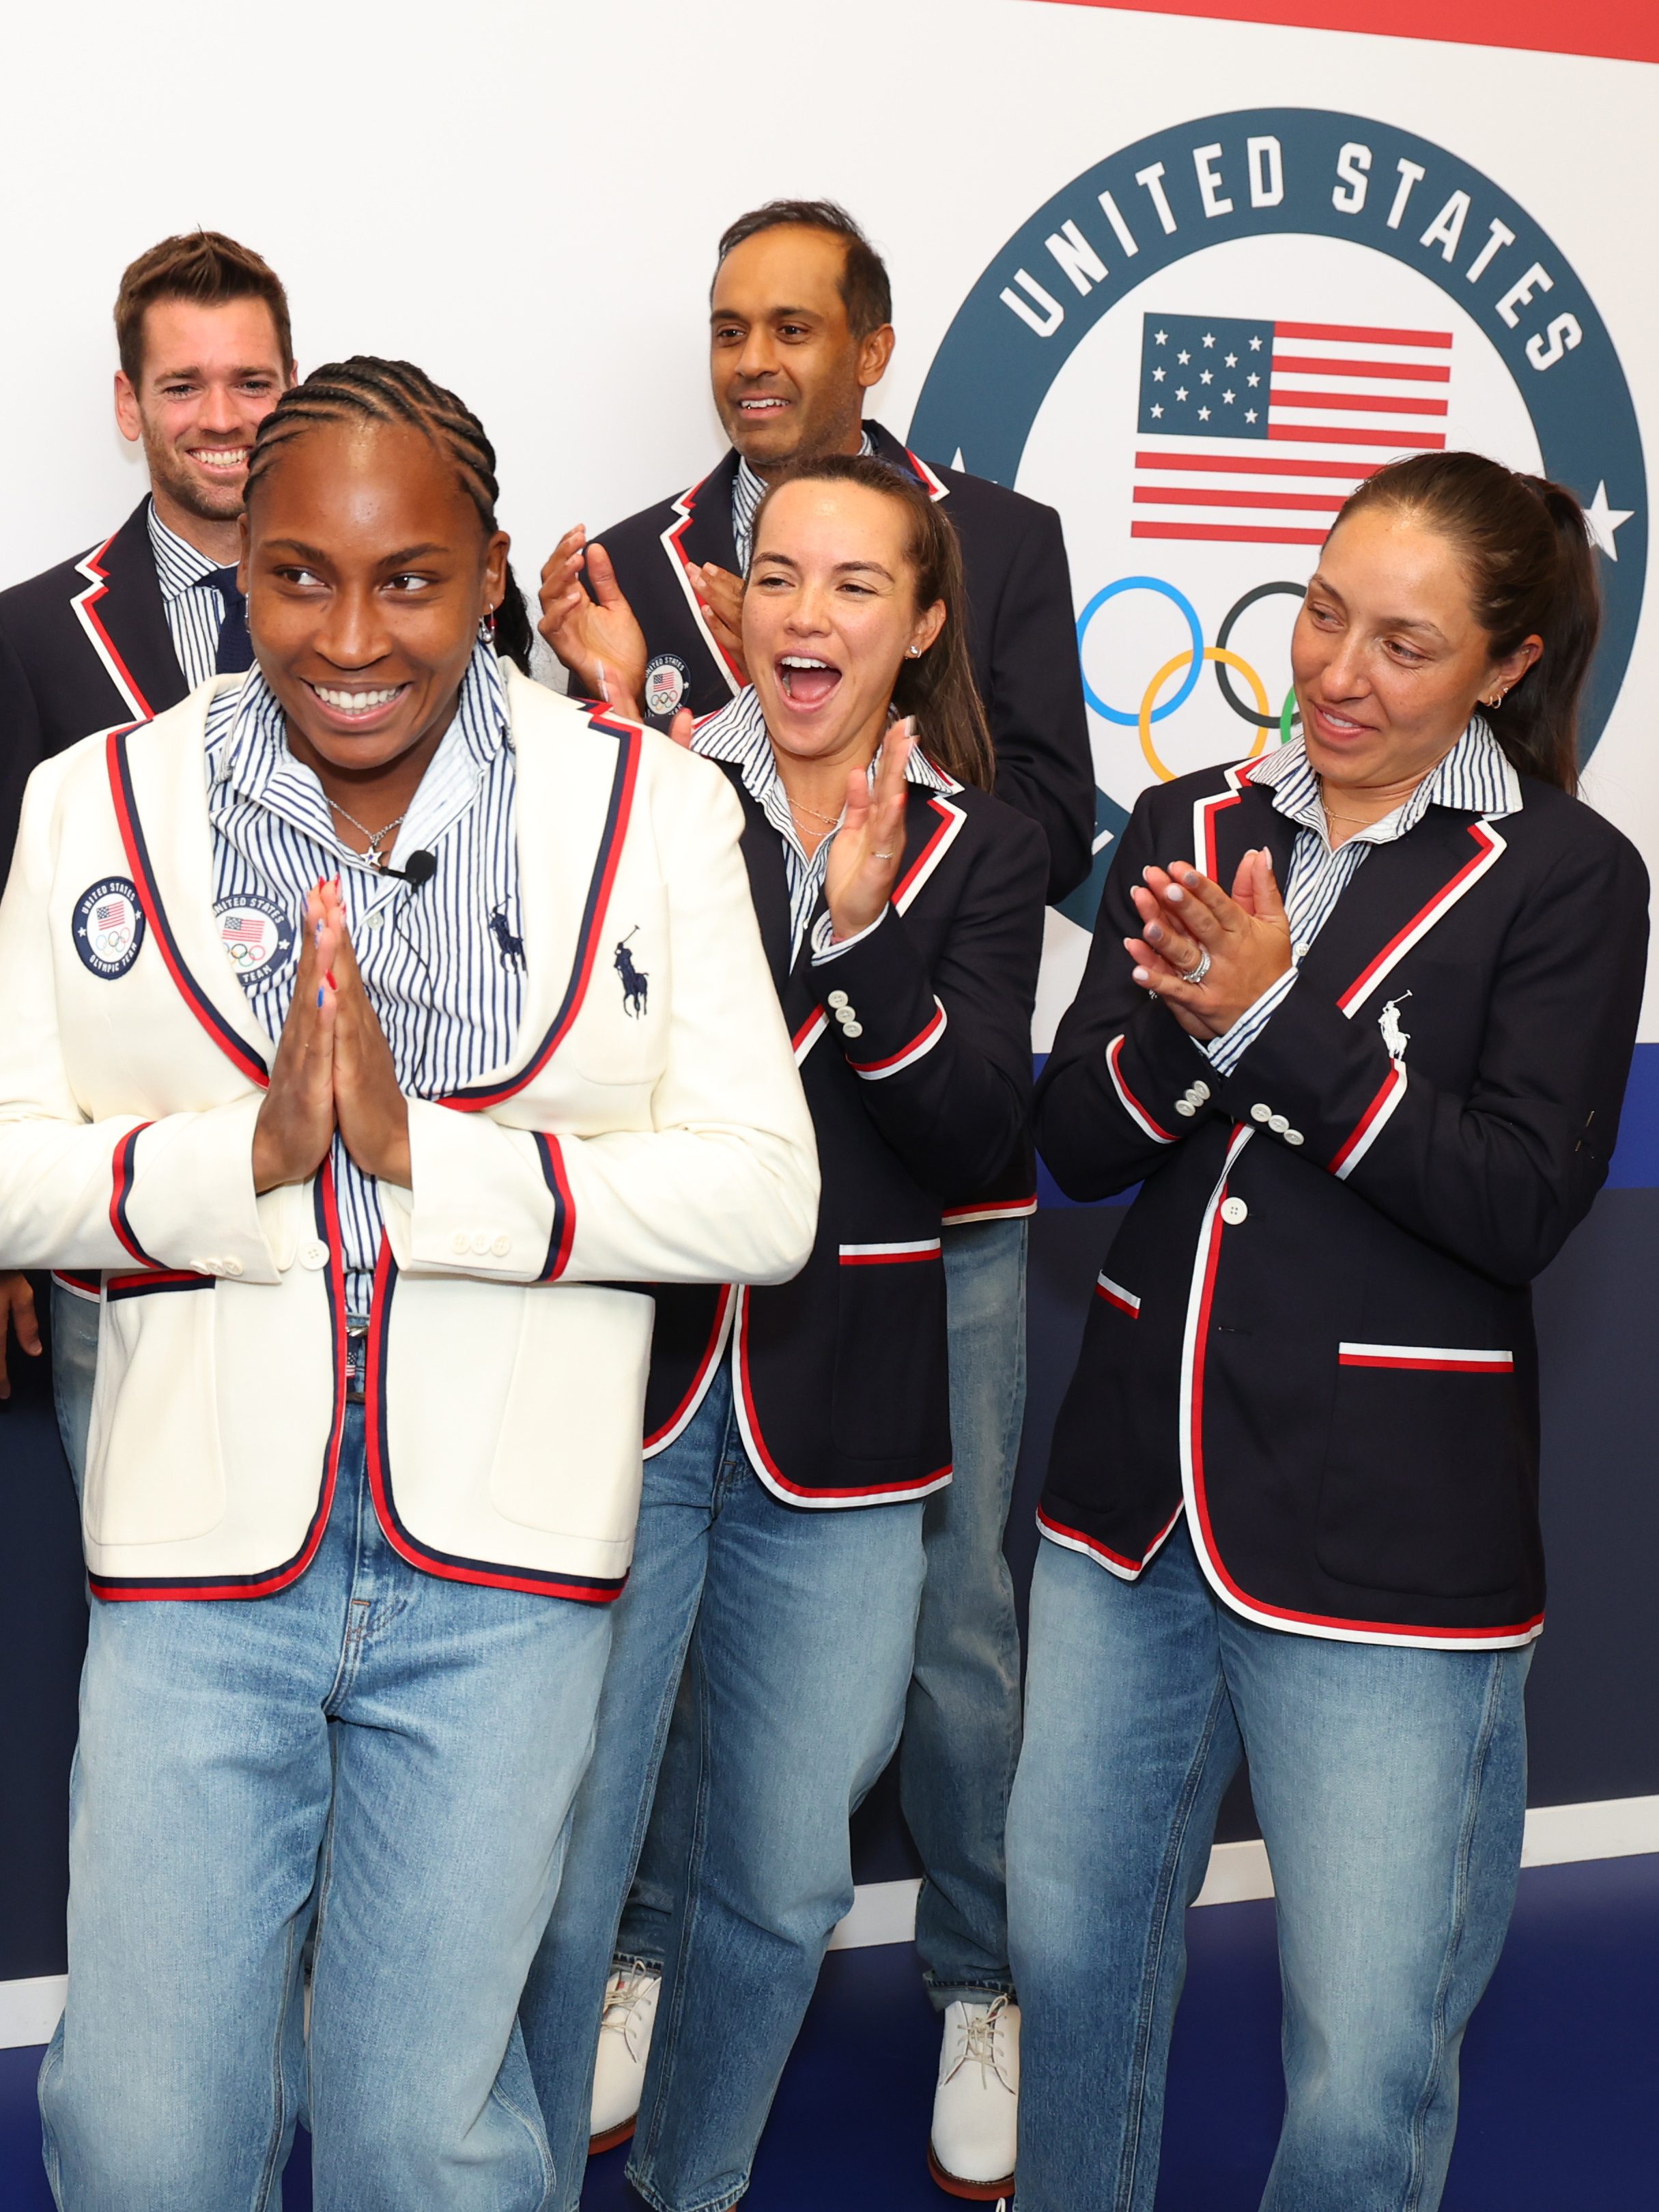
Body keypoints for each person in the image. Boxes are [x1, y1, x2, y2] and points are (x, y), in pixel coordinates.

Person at [0, 355, 817, 2208]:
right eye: (297, 576)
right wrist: (242, 1162)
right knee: (140, 2127)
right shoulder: (94, 800)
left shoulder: (645, 812)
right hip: (201, 1569)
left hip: (505, 1584)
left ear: (490, 569)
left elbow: (764, 1196)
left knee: (418, 2134)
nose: (349, 633)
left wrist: (425, 1162)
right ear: (241, 576)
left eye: (409, 579)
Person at [1012, 451, 1647, 2212]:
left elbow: (1518, 1202)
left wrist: (1274, 1017)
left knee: (1365, 2061)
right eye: (1320, 612)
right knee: (1070, 1975)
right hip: (1129, 1512)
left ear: (1506, 668)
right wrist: (1189, 1027)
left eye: (1406, 643)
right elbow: (1070, 1148)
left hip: (1387, 1552)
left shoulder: (1569, 877)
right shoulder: (1186, 820)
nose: (1339, 673)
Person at [539, 195, 1088, 2190]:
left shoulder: (980, 666)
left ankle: (954, 1996)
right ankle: (582, 2031)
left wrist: (857, 919)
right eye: (777, 577)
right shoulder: (641, 687)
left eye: (852, 585)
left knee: (864, 1751)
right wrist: (639, 733)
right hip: (656, 1345)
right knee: (582, 1807)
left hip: (873, 1328)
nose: (807, 612)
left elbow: (979, 1074)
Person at [0, 229, 296, 1475]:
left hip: (350, 1222)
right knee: (131, 1600)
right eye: (183, 386)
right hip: (123, 1236)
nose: (220, 418)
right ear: (130, 406)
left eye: (252, 384)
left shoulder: (388, 615)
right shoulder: (27, 640)